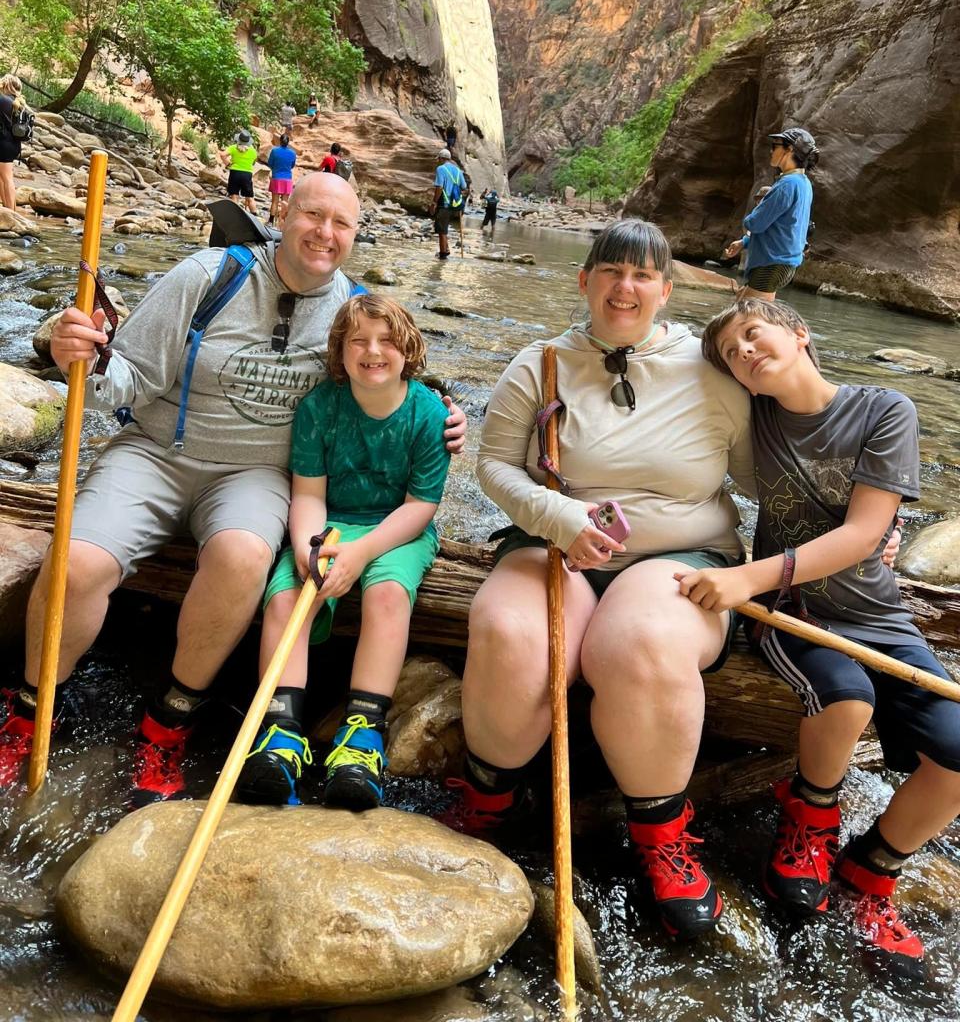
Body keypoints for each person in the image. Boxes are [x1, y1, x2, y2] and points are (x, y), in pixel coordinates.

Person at [0, 174, 467, 803]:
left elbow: (388, 385)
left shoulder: (352, 311)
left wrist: (444, 414)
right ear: (282, 210)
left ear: (356, 235)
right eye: (312, 215)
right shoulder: (209, 275)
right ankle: (32, 708)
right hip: (156, 452)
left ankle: (169, 721)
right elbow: (128, 374)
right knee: (77, 563)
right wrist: (81, 356)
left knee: (245, 558)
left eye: (342, 224)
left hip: (256, 476)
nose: (325, 233)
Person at [447, 218, 757, 939]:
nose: (626, 287)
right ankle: (488, 798)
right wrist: (558, 516)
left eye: (643, 274)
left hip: (682, 555)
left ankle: (661, 834)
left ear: (665, 290)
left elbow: (765, 476)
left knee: (638, 641)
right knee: (510, 631)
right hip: (553, 542)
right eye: (611, 271)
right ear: (585, 281)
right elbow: (493, 466)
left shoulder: (716, 373)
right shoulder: (541, 362)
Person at [689, 299, 960, 974]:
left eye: (754, 334)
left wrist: (746, 576)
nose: (745, 352)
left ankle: (872, 872)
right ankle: (811, 816)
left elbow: (866, 533)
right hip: (795, 614)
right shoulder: (752, 414)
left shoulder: (884, 409)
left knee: (957, 752)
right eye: (731, 353)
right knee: (845, 697)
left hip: (879, 615)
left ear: (800, 333)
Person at [238, 295, 451, 809]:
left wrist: (362, 555)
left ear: (408, 349)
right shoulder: (319, 409)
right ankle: (280, 731)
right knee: (288, 598)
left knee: (386, 596)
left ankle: (362, 734)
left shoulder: (428, 415)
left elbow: (420, 506)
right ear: (339, 351)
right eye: (358, 340)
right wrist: (313, 551)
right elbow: (308, 494)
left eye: (386, 341)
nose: (372, 351)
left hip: (398, 529)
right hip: (329, 524)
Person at [723, 127, 816, 300]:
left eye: (775, 145)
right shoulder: (803, 183)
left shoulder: (787, 184)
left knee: (747, 316)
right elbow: (783, 228)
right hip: (782, 264)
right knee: (741, 304)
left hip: (772, 264)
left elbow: (755, 223)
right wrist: (744, 242)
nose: (771, 150)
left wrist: (756, 210)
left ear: (789, 149)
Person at [431, 152, 467, 260]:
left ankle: (443, 255)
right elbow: (464, 186)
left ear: (442, 158)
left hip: (444, 204)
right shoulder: (458, 170)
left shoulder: (441, 169)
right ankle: (446, 249)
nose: (438, 161)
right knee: (444, 227)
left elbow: (439, 187)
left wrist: (434, 202)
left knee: (442, 230)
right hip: (456, 205)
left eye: (439, 159)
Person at [0, 73, 27, 212]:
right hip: (14, 144)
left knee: (6, 178)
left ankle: (12, 214)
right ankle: (9, 209)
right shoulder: (17, 102)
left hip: (3, 144)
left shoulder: (2, 99)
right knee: (3, 178)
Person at [220, 130, 259, 215]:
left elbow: (222, 155)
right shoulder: (253, 151)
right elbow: (253, 162)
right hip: (247, 174)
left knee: (234, 196)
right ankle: (255, 215)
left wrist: (228, 164)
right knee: (249, 197)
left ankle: (234, 216)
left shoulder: (233, 147)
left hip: (235, 173)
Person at [267, 133, 297, 225]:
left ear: (280, 141)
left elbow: (270, 163)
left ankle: (271, 221)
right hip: (287, 179)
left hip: (276, 178)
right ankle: (283, 222)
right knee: (285, 203)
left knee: (275, 201)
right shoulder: (292, 153)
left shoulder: (274, 151)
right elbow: (292, 165)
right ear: (288, 142)